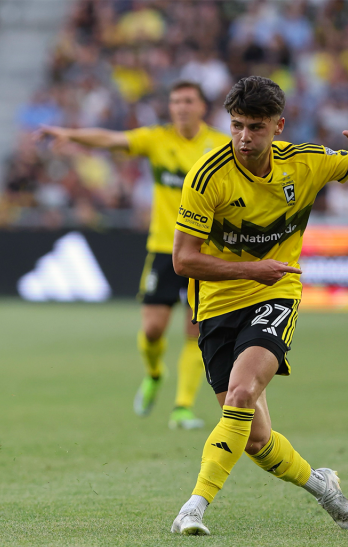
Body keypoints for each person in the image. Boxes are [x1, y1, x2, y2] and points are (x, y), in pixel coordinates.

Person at [169, 76, 348, 535]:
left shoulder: (307, 162)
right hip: (217, 304)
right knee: (254, 439)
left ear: (279, 126)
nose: (243, 137)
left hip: (275, 294)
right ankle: (324, 487)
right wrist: (254, 269)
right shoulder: (207, 176)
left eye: (255, 127)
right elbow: (183, 260)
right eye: (236, 126)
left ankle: (193, 507)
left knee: (239, 395)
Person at [36, 81, 229, 429]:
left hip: (205, 251)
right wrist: (71, 134)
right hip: (163, 248)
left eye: (188, 101)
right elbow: (111, 139)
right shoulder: (157, 139)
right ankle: (155, 374)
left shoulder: (221, 145)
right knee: (153, 329)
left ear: (203, 107)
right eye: (175, 101)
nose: (181, 107)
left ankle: (182, 408)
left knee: (195, 332)